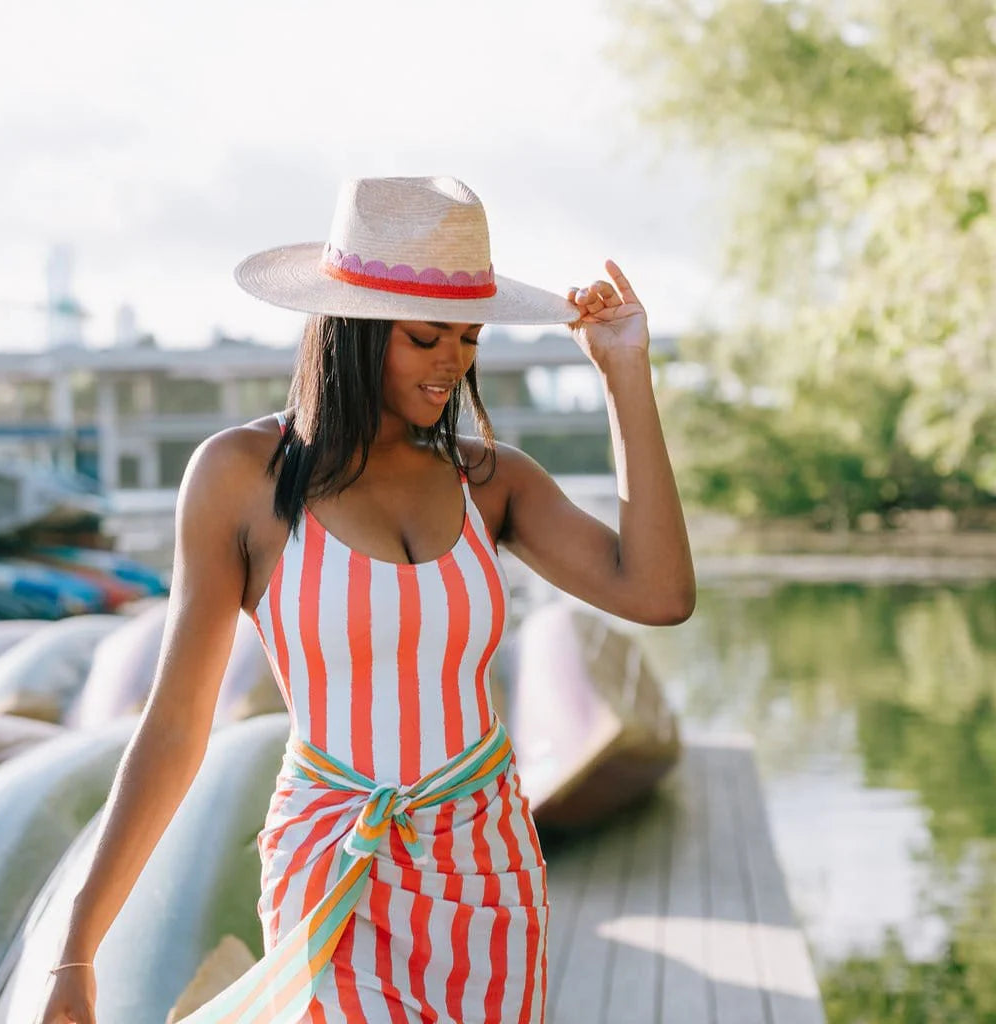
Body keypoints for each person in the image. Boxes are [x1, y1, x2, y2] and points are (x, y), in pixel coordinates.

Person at [35, 175, 695, 1024]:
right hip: (334, 864)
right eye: (425, 338)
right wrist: (77, 951)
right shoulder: (240, 478)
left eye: (467, 337)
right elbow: (174, 727)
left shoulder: (489, 479)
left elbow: (659, 592)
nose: (453, 362)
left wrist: (624, 373)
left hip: (487, 871)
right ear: (352, 328)